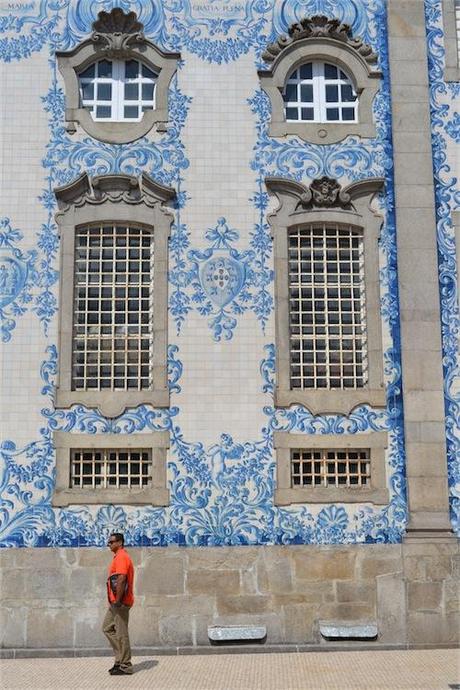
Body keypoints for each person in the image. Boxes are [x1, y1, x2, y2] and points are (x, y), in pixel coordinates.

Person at [102, 532, 135, 675]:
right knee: (107, 628)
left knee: (122, 634)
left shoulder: (122, 557)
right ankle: (119, 659)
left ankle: (125, 665)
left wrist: (117, 601)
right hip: (116, 602)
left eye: (111, 542)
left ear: (120, 543)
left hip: (120, 602)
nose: (109, 544)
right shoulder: (119, 557)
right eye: (109, 542)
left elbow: (121, 579)